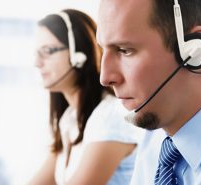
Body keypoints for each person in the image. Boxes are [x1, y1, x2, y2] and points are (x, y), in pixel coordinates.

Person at [97, 0, 201, 184]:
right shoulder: (157, 133)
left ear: (194, 51)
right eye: (103, 50)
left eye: (125, 50)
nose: (105, 77)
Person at [28, 9, 143, 185]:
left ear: (78, 54)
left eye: (48, 51)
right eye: (37, 53)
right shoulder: (69, 120)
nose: (37, 62)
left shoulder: (110, 116)